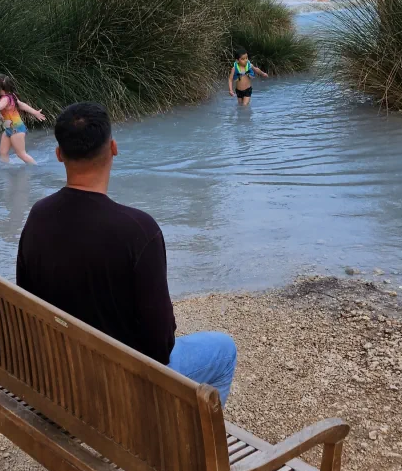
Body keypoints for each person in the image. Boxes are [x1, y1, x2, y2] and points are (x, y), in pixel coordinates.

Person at [16, 102, 237, 403]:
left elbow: (27, 301)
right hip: (115, 391)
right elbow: (160, 348)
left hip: (54, 378)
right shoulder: (139, 230)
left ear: (59, 154)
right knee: (223, 350)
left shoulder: (38, 215)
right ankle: (196, 447)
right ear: (114, 148)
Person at [0, 73, 46, 164]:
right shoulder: (12, 96)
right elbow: (21, 105)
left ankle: (36, 168)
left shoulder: (5, 99)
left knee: (21, 154)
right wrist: (35, 112)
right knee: (3, 152)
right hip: (9, 129)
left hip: (16, 129)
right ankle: (6, 171)